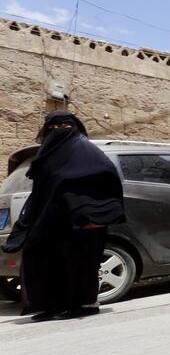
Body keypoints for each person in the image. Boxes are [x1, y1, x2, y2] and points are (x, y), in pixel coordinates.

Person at [2, 111, 125, 321]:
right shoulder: (47, 153)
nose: (56, 130)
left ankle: (85, 304)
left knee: (78, 261)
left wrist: (90, 212)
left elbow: (106, 176)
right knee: (39, 255)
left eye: (62, 126)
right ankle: (48, 306)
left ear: (73, 127)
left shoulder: (86, 150)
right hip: (47, 218)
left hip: (80, 220)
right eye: (52, 126)